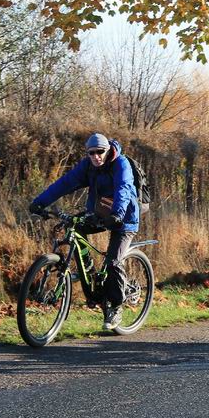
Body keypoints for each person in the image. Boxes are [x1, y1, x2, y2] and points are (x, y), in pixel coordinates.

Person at [29, 133, 139, 330]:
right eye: (91, 153)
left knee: (113, 262)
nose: (96, 156)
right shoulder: (87, 166)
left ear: (107, 150)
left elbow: (123, 189)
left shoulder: (121, 164)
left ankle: (115, 307)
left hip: (123, 218)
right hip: (98, 213)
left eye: (100, 152)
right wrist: (39, 202)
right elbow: (64, 184)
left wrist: (117, 214)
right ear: (87, 153)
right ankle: (89, 273)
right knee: (76, 226)